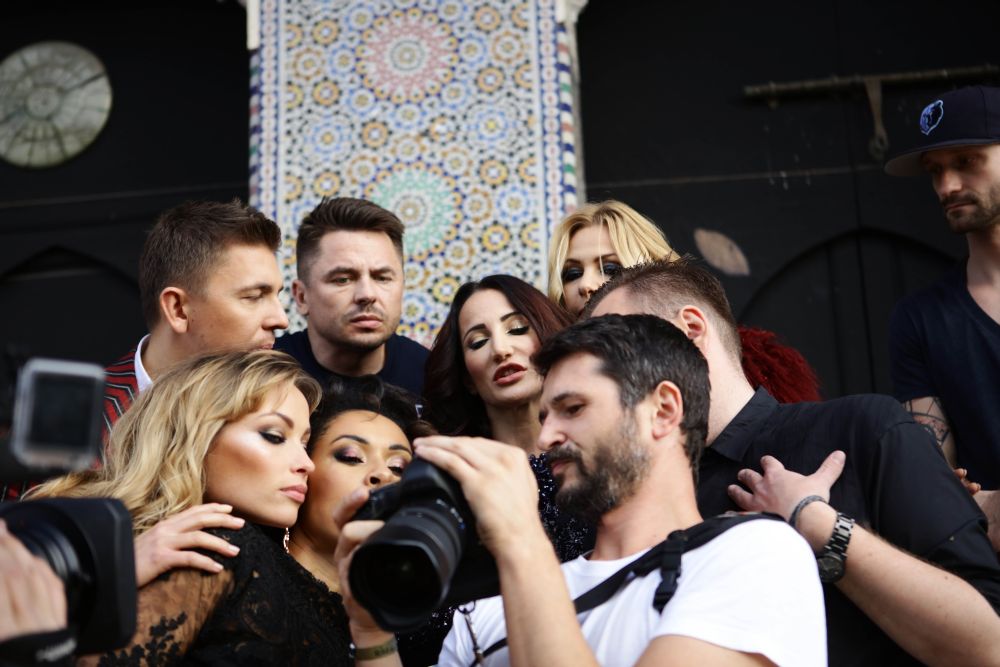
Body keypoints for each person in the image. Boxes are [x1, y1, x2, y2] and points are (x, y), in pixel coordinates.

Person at [587, 257, 1000, 666]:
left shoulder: (861, 428)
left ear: (691, 331)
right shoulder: (635, 508)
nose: (601, 382)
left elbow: (988, 643)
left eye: (617, 353)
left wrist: (818, 524)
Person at [370, 314, 824, 666]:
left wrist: (520, 536)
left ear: (664, 410)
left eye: (572, 408)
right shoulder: (487, 608)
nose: (546, 437)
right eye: (544, 417)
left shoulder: (754, 556)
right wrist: (372, 634)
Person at [29, 350, 365, 664]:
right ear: (195, 437)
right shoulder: (217, 547)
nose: (306, 464)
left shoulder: (268, 563)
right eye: (274, 436)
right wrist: (116, 577)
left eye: (304, 444)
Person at [548, 199, 821, 403]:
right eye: (572, 274)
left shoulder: (752, 369)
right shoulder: (553, 383)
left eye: (609, 268)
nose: (586, 285)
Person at [884, 86, 1000, 539]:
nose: (947, 186)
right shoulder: (920, 319)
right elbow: (935, 482)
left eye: (967, 161)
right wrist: (954, 497)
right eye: (935, 170)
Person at [423, 274, 593, 560]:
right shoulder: (456, 480)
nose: (501, 350)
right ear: (467, 378)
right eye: (478, 342)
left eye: (517, 329)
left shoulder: (601, 454)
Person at [287, 375, 439, 666]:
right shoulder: (239, 566)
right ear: (301, 469)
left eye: (399, 467)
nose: (383, 474)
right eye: (351, 456)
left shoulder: (419, 614)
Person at [103, 199, 289, 432]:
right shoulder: (81, 417)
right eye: (253, 296)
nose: (281, 320)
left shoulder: (287, 409)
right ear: (178, 309)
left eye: (277, 296)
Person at [277, 197, 428, 396]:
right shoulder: (264, 376)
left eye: (382, 278)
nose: (367, 294)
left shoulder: (433, 377)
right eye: (343, 280)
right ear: (302, 297)